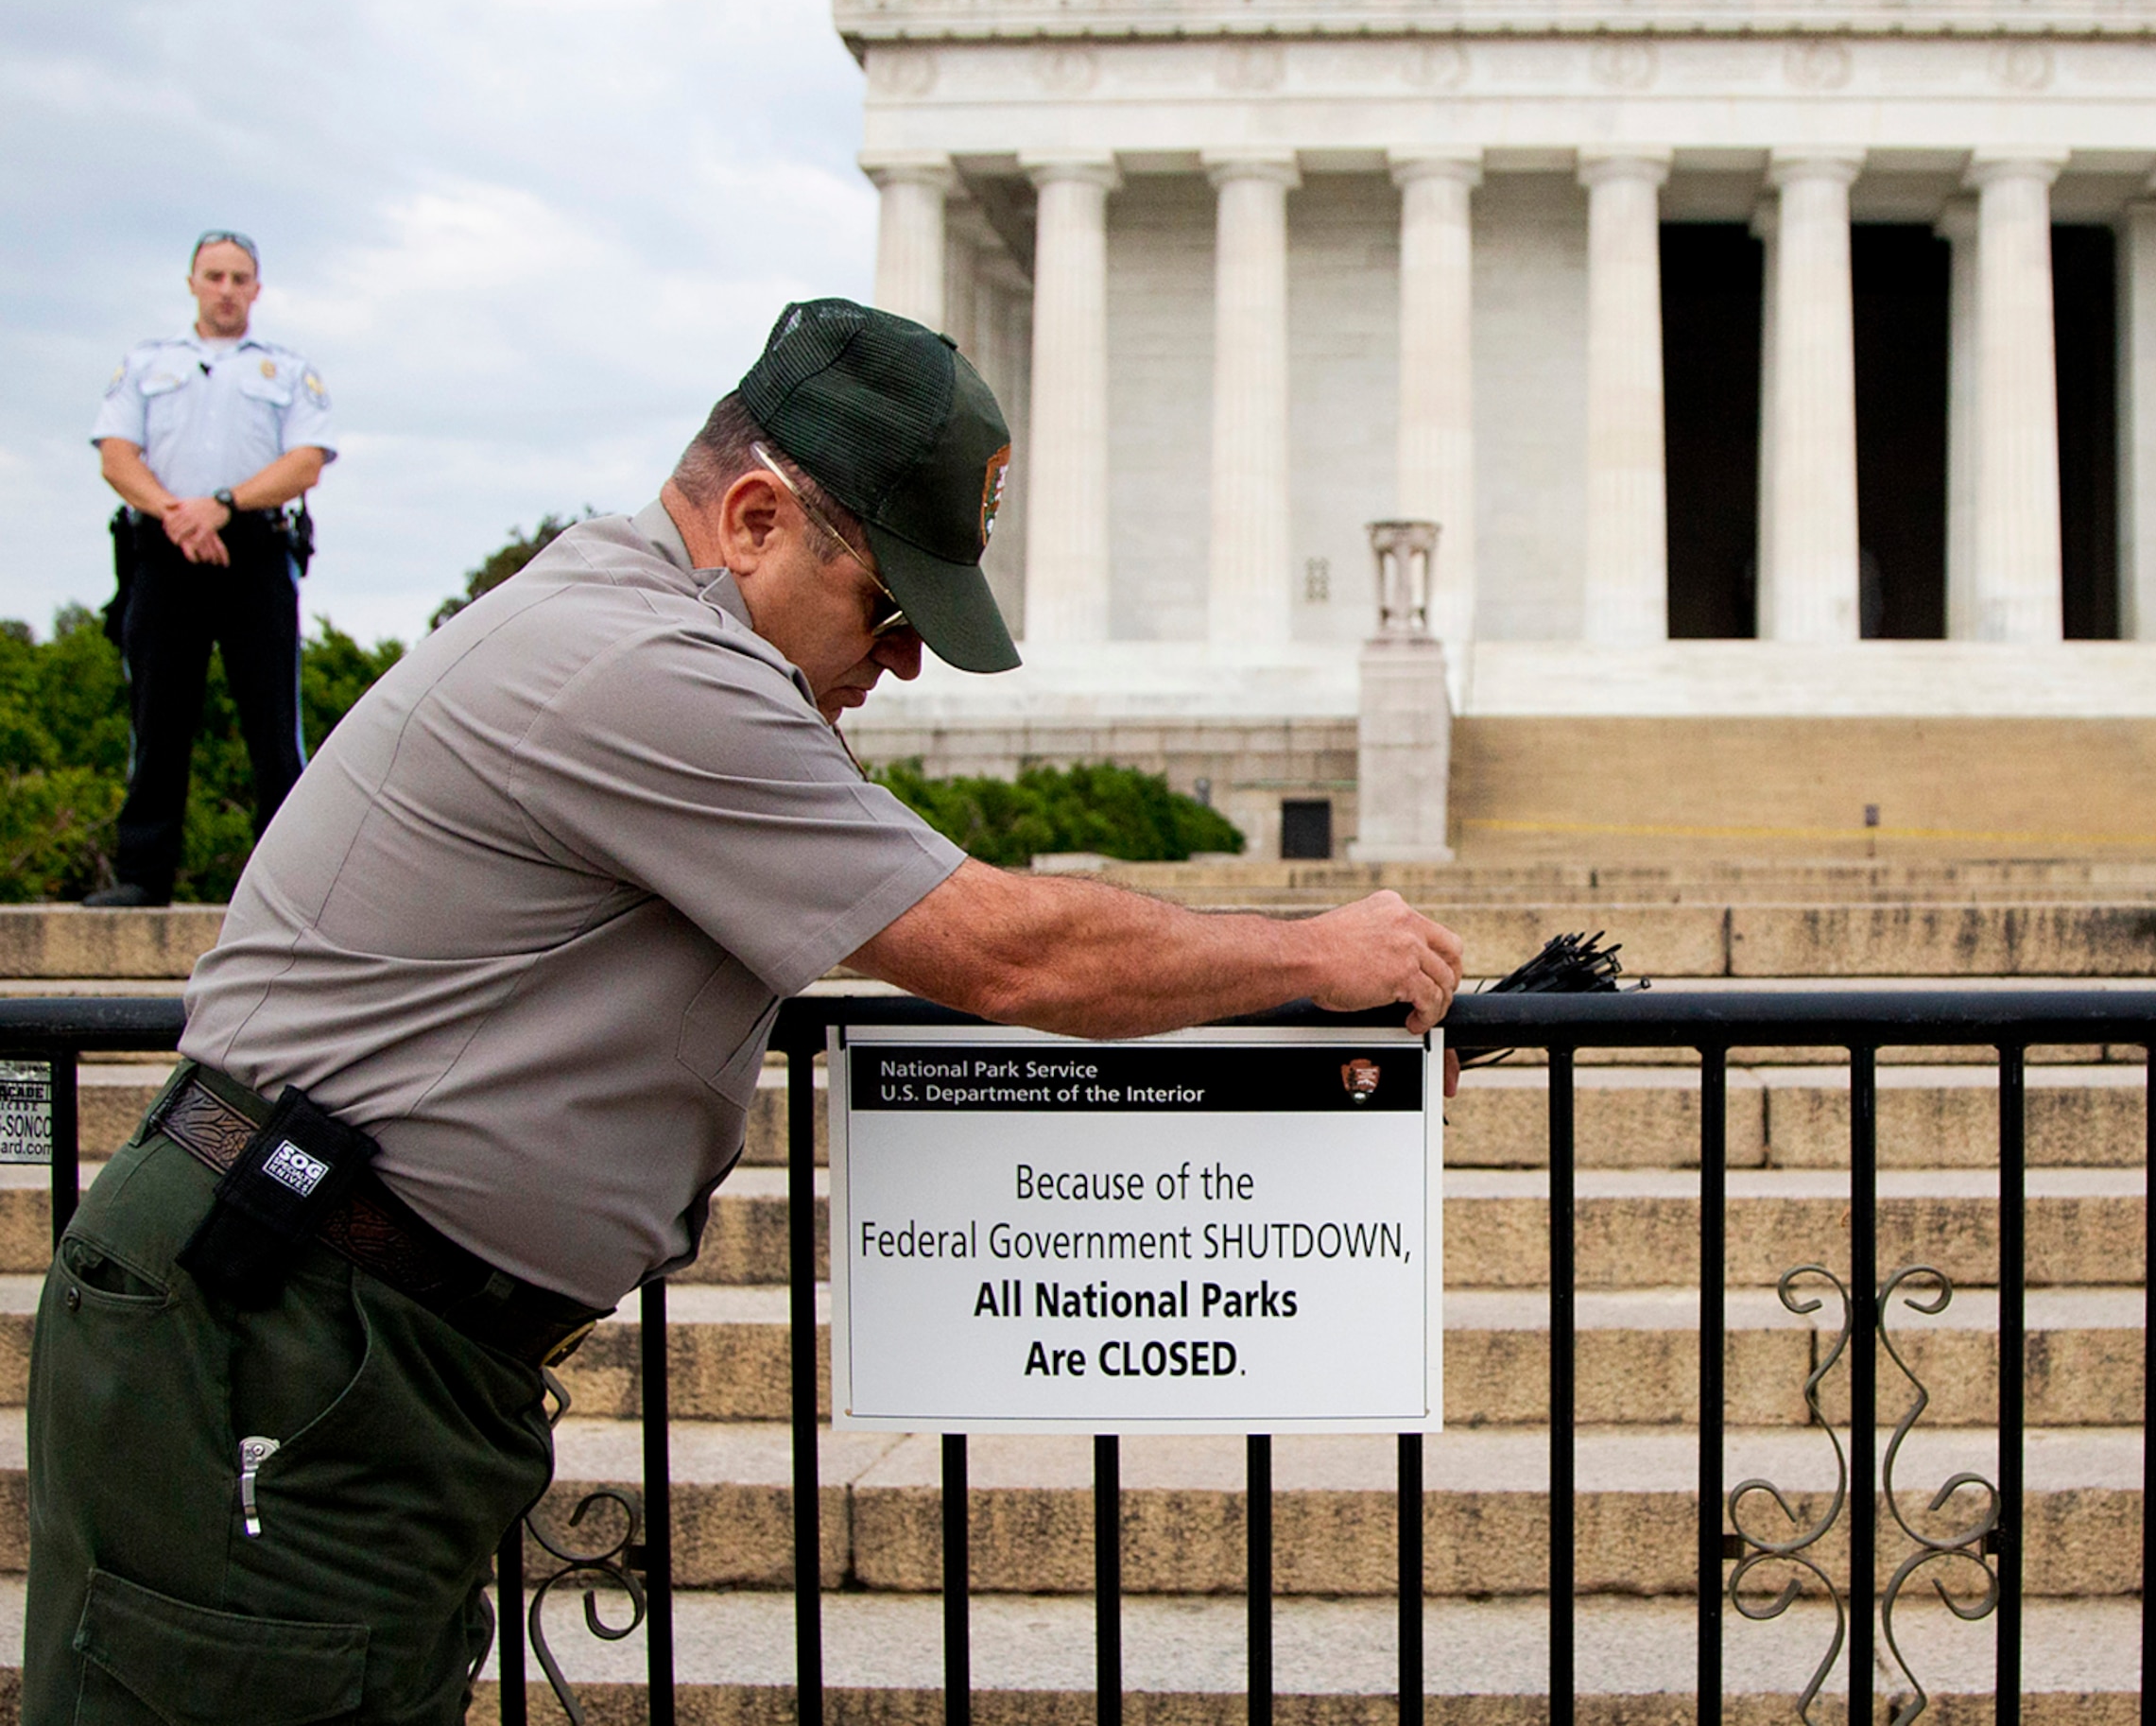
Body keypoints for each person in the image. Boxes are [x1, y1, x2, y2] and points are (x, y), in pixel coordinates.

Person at [23, 299, 1465, 1723]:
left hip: (340, 1325)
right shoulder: (651, 667)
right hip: (288, 1328)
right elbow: (1008, 954)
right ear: (760, 518)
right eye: (889, 605)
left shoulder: (635, 629)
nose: (901, 661)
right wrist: (1316, 953)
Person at [85, 229, 335, 907]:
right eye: (214, 276)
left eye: (239, 278)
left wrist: (221, 507)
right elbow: (116, 454)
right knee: (157, 715)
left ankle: (289, 887)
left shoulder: (286, 370)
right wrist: (178, 515)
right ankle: (142, 874)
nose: (226, 289)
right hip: (164, 552)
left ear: (256, 288)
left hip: (253, 550)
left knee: (273, 725)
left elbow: (306, 459)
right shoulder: (146, 363)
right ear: (192, 282)